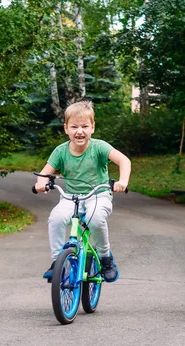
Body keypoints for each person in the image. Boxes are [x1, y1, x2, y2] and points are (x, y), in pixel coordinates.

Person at [34, 101, 131, 283]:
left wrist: (122, 181)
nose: (80, 131)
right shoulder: (60, 151)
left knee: (95, 219)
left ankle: (105, 258)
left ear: (92, 128)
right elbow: (45, 173)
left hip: (98, 195)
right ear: (66, 129)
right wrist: (41, 183)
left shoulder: (99, 147)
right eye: (74, 126)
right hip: (71, 197)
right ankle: (57, 262)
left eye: (85, 126)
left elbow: (124, 161)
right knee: (56, 218)